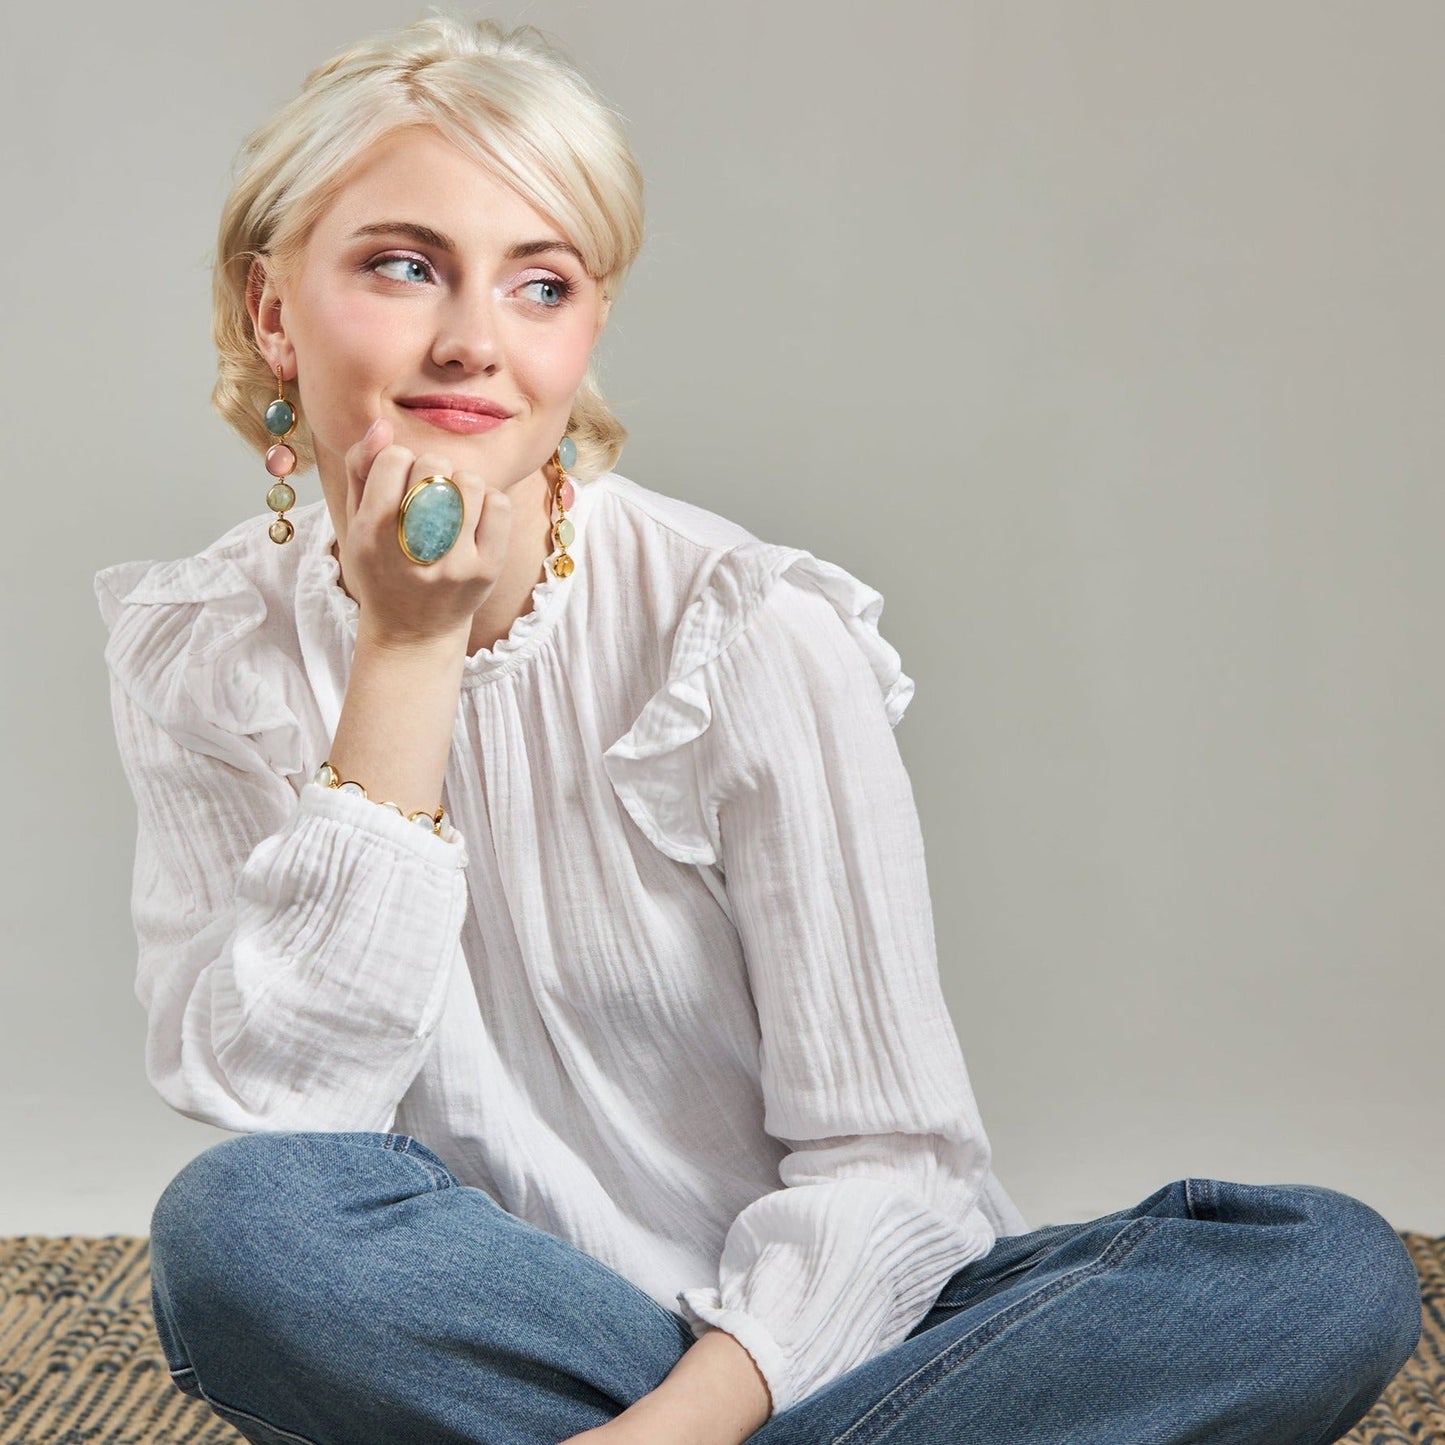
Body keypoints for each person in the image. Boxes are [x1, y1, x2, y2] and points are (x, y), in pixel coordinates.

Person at [93, 14, 1420, 1445]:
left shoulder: (745, 629)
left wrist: (681, 1427)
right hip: (502, 1329)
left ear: (587, 324)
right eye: (402, 266)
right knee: (242, 1232)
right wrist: (406, 647)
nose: (474, 338)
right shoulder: (203, 647)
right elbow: (287, 1104)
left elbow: (891, 1164)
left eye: (541, 283)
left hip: (853, 1338)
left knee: (1316, 1271)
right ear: (274, 309)